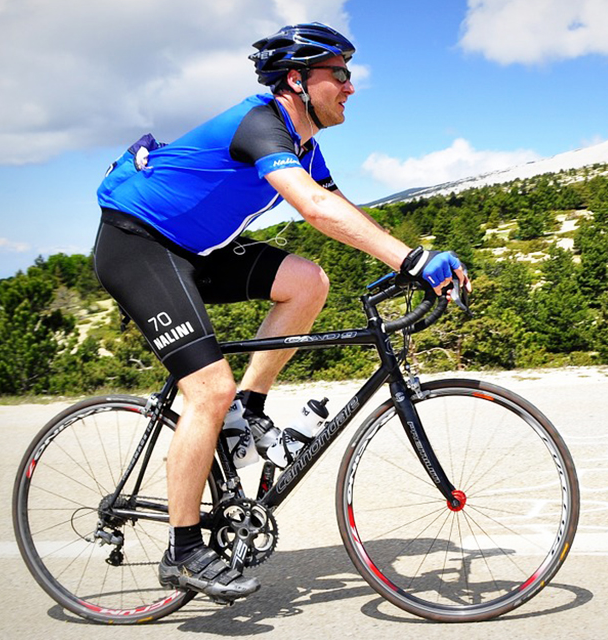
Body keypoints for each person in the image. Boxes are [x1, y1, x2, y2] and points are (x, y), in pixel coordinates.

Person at [92, 22, 469, 603]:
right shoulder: (260, 124)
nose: (350, 86)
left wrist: (408, 261)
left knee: (307, 282)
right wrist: (413, 260)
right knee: (207, 391)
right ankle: (183, 550)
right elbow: (313, 207)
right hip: (138, 244)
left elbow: (342, 208)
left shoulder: (305, 146)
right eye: (339, 74)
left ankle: (247, 410)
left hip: (195, 251)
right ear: (296, 80)